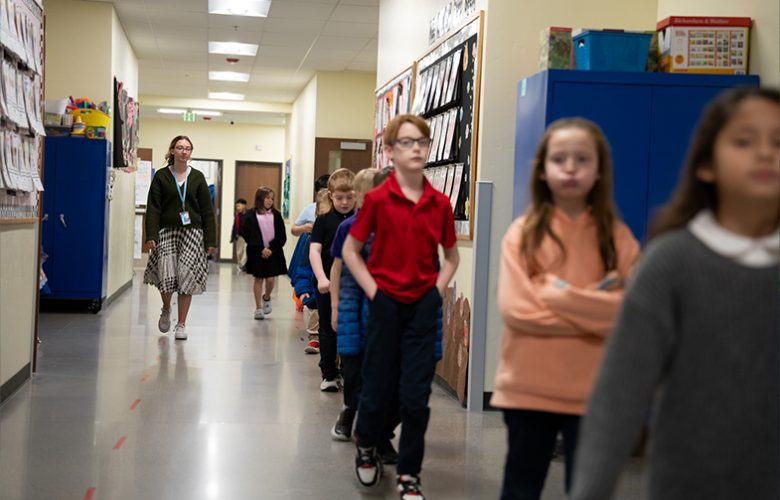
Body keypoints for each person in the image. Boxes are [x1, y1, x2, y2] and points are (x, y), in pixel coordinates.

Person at [570, 87, 779, 500]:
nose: (765, 153)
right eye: (743, 141)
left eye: (778, 142)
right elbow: (619, 396)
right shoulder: (672, 263)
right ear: (706, 165)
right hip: (687, 484)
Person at [490, 117, 640, 500]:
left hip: (596, 392)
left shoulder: (617, 238)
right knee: (520, 490)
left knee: (589, 492)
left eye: (582, 159)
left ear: (599, 171)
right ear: (542, 170)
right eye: (559, 159)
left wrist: (554, 292)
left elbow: (632, 316)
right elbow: (517, 311)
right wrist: (597, 305)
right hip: (528, 388)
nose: (570, 168)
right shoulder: (523, 234)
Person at [342, 114, 459, 500]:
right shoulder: (377, 200)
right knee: (377, 388)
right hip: (385, 307)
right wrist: (375, 292)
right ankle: (366, 444)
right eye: (407, 142)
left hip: (422, 309)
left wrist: (435, 290)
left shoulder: (439, 203)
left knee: (415, 397)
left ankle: (410, 474)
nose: (416, 149)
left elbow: (451, 257)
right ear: (390, 151)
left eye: (422, 142)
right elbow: (351, 251)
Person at [144, 135, 217, 341]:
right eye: (180, 147)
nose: (184, 151)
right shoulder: (161, 176)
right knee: (166, 276)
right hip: (167, 232)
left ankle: (182, 324)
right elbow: (153, 208)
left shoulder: (198, 177)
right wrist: (151, 234)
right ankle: (167, 308)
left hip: (192, 232)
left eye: (187, 148)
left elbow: (207, 211)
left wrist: (210, 240)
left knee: (186, 278)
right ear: (172, 151)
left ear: (190, 153)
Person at [310, 168, 356, 391]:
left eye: (349, 197)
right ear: (330, 195)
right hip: (327, 284)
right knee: (328, 328)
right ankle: (328, 373)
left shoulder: (361, 220)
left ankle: (348, 372)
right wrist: (321, 278)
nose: (344, 202)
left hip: (352, 285)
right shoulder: (323, 221)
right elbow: (314, 251)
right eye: (339, 198)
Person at [289, 189, 332, 354]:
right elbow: (303, 268)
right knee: (315, 309)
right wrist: (302, 290)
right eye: (322, 215)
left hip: (335, 286)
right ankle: (314, 338)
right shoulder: (311, 239)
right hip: (316, 287)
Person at [241, 186, 288, 320]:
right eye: (267, 198)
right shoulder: (251, 214)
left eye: (272, 199)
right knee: (258, 278)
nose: (270, 201)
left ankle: (266, 297)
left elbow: (281, 235)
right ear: (260, 198)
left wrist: (271, 248)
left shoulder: (276, 215)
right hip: (257, 252)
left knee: (271, 279)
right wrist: (261, 248)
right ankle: (258, 308)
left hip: (273, 252)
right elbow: (247, 233)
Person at [231, 198, 248, 272]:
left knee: (246, 251)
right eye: (236, 207)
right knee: (239, 253)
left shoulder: (249, 215)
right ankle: (240, 264)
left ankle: (242, 265)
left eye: (239, 206)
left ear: (244, 205)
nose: (237, 208)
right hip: (239, 237)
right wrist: (232, 237)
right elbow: (234, 226)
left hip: (247, 237)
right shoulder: (237, 216)